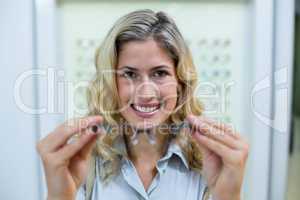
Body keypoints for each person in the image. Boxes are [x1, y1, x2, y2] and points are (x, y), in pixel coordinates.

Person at [36, 9, 249, 200]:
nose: (146, 93)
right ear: (111, 83)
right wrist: (59, 197)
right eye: (129, 74)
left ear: (180, 82)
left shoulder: (210, 165)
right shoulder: (81, 164)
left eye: (160, 73)